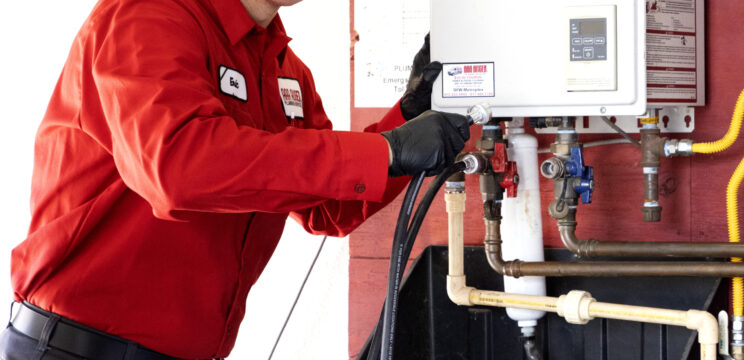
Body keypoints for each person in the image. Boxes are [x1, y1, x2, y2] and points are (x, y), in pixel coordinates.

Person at [3, 0, 470, 358]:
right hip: (77, 346)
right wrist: (387, 150)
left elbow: (330, 205)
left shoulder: (284, 70)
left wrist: (405, 118)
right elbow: (179, 168)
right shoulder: (150, 16)